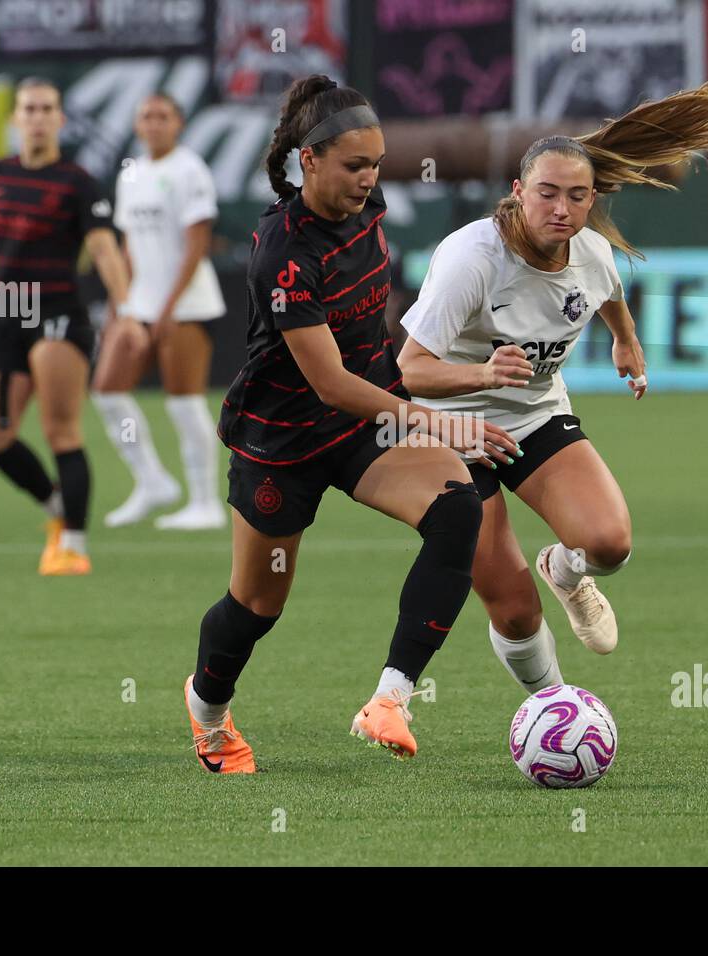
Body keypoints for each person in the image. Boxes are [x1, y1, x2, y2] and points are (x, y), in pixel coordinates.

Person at [182, 75, 518, 773]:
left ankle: (390, 699)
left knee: (459, 509)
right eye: (354, 165)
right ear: (309, 161)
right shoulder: (285, 253)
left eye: (376, 164)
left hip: (366, 426)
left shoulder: (368, 205)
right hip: (284, 443)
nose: (370, 179)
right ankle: (207, 709)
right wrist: (435, 421)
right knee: (257, 605)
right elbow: (328, 382)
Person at [398, 80, 708, 692]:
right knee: (513, 606)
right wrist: (481, 373)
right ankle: (553, 708)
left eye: (577, 197)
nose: (561, 208)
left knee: (609, 545)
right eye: (547, 193)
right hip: (448, 426)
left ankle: (564, 567)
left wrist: (626, 341)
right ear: (518, 192)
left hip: (532, 417)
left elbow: (610, 295)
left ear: (591, 201)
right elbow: (410, 371)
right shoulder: (471, 260)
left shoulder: (590, 252)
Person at [0, 77, 130, 575]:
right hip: (6, 313)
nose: (38, 117)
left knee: (60, 430)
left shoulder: (78, 181)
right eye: (29, 109)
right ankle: (55, 507)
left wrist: (125, 309)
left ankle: (75, 546)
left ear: (60, 120)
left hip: (59, 314)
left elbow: (104, 248)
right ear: (15, 119)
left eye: (47, 108)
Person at [93, 93, 229, 531]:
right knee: (107, 391)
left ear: (179, 123)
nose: (154, 124)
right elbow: (128, 247)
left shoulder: (190, 170)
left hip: (186, 304)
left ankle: (205, 502)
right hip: (141, 304)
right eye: (146, 116)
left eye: (162, 116)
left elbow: (197, 244)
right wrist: (120, 306)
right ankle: (151, 481)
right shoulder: (131, 174)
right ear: (136, 125)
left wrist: (169, 307)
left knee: (183, 402)